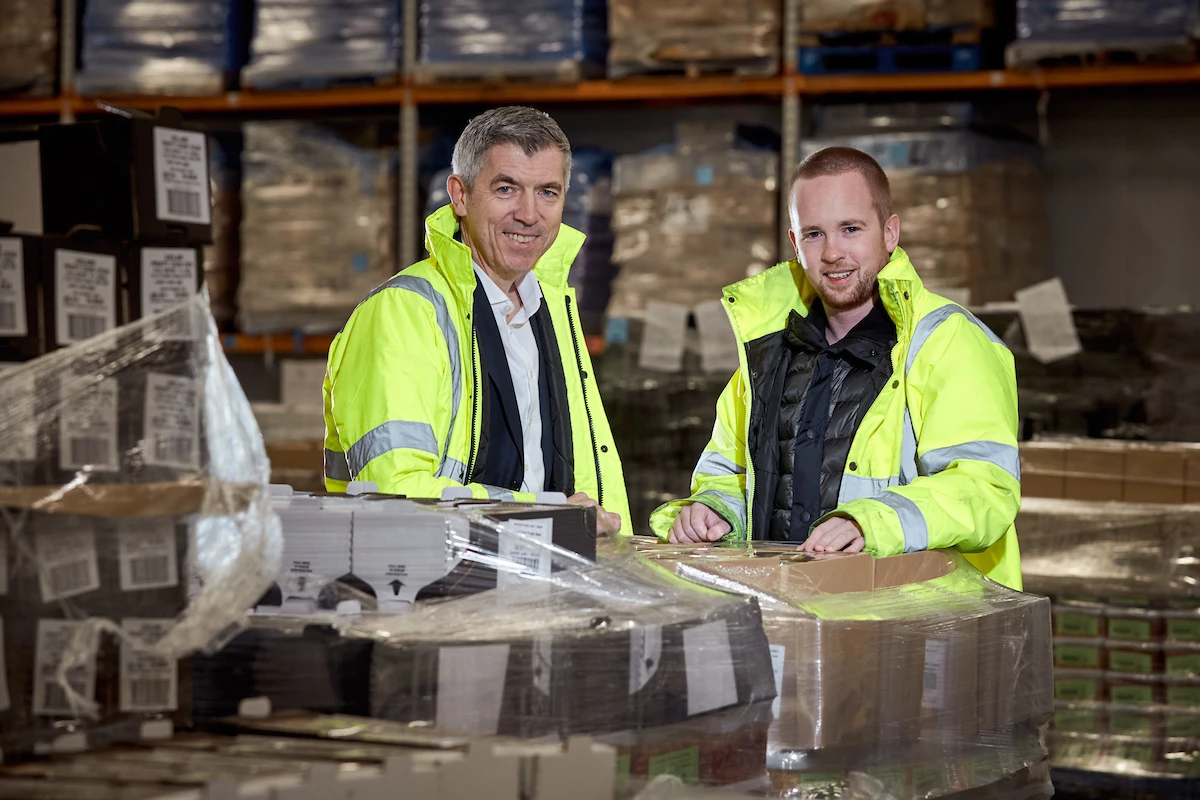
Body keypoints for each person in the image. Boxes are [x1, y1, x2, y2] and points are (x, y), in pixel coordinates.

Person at [650, 146, 1022, 589]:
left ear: (889, 233)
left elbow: (985, 488)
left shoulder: (946, 342)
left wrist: (872, 524)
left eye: (850, 229)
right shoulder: (766, 357)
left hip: (908, 626)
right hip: (790, 618)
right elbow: (729, 476)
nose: (832, 253)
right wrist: (714, 511)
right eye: (814, 234)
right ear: (794, 243)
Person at [323, 106, 629, 534]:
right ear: (460, 195)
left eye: (547, 192)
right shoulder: (404, 312)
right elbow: (393, 494)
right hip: (434, 586)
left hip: (542, 575)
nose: (528, 214)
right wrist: (546, 514)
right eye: (506, 189)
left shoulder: (551, 309)